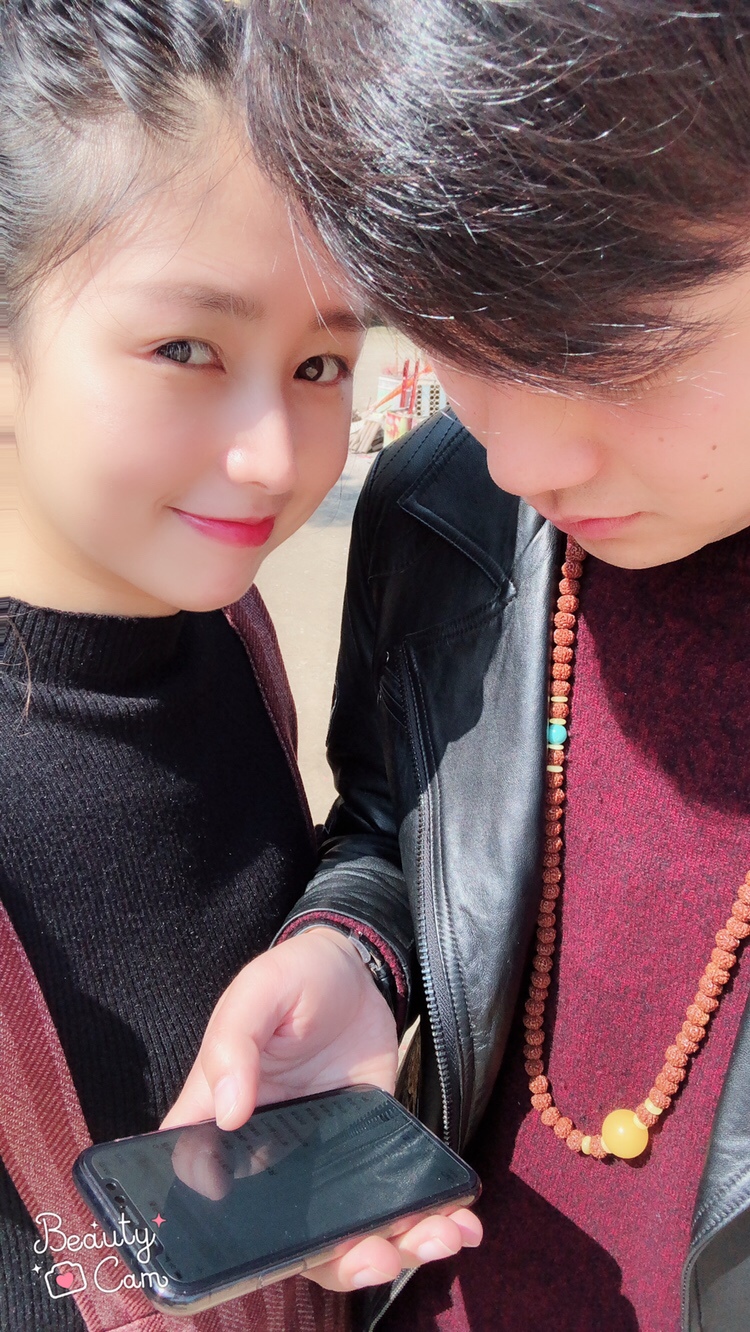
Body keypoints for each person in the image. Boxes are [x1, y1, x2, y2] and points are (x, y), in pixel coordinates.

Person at [166, 3, 750, 1330]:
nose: (523, 459)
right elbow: (396, 821)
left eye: (611, 347)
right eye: (458, 345)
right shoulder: (446, 512)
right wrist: (355, 950)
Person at [0, 0, 426, 1325]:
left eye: (319, 362)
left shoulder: (227, 631)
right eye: (186, 348)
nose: (275, 455)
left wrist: (349, 951)